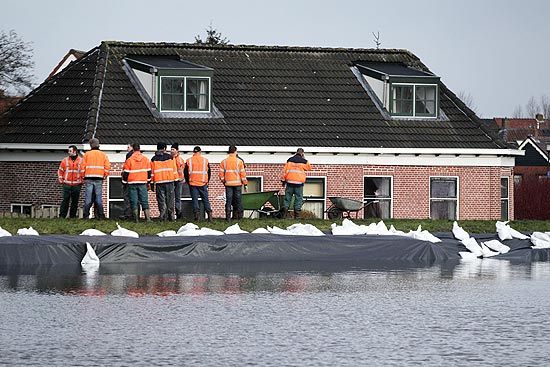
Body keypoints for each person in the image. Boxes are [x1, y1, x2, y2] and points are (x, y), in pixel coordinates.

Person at [81, 138, 110, 219]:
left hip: (88, 178)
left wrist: (83, 176)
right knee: (98, 198)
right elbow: (107, 166)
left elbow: (82, 167)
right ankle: (101, 215)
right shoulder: (103, 155)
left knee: (88, 198)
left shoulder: (87, 154)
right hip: (99, 178)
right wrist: (105, 175)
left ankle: (85, 215)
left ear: (91, 145)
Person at [122, 143, 152, 222]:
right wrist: (148, 182)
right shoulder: (145, 159)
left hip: (132, 183)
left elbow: (126, 174)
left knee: (133, 201)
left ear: (133, 149)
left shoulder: (129, 160)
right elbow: (149, 172)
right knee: (144, 200)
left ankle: (136, 219)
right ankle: (147, 218)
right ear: (139, 149)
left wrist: (124, 183)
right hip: (142, 182)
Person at [280, 148, 312, 219]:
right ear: (302, 153)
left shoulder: (289, 160)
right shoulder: (304, 161)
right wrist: (304, 158)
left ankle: (284, 215)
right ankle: (297, 216)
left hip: (289, 183)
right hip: (299, 184)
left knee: (287, 198)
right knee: (298, 198)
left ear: (296, 153)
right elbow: (309, 168)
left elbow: (284, 171)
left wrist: (283, 181)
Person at [184, 146, 212, 221]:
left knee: (195, 200)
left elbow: (186, 173)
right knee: (205, 199)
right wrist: (206, 181)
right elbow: (209, 172)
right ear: (200, 152)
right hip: (203, 183)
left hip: (193, 183)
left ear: (193, 152)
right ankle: (209, 215)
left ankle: (197, 215)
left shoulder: (189, 160)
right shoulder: (205, 160)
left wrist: (188, 181)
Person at [219, 145, 247, 220]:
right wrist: (245, 183)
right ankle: (238, 217)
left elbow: (221, 174)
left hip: (228, 184)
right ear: (235, 151)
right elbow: (243, 174)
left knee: (229, 200)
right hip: (237, 184)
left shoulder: (224, 162)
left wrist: (224, 181)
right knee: (238, 200)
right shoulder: (239, 161)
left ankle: (228, 217)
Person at [151, 142, 177, 221]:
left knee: (161, 200)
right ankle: (171, 217)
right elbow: (174, 170)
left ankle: (162, 216)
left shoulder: (153, 159)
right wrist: (175, 181)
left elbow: (152, 173)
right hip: (169, 182)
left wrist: (152, 183)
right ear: (165, 148)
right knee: (170, 200)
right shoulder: (170, 158)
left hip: (159, 182)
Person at [57, 145, 83, 218]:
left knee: (75, 201)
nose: (68, 152)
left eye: (70, 151)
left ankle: (72, 216)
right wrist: (60, 179)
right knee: (65, 200)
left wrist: (82, 181)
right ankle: (62, 215)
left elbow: (83, 171)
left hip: (77, 184)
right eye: (68, 151)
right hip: (66, 184)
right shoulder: (64, 161)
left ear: (75, 151)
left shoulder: (81, 161)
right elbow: (60, 171)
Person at [170, 143, 185, 219]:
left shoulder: (179, 160)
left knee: (177, 197)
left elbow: (182, 170)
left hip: (178, 180)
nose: (171, 151)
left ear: (177, 150)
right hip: (173, 180)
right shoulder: (170, 159)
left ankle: (178, 212)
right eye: (171, 149)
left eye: (173, 149)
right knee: (172, 197)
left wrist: (182, 178)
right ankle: (173, 213)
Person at [120, 143, 134, 219]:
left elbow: (126, 170)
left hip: (129, 181)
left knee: (127, 198)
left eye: (128, 147)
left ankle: (127, 214)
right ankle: (135, 214)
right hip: (136, 181)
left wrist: (124, 182)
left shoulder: (129, 155)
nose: (127, 149)